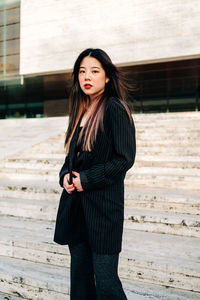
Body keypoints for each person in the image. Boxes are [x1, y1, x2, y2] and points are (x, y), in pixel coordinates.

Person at [54, 48, 136, 300]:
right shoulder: (80, 110)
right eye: (82, 71)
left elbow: (124, 160)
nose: (86, 77)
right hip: (76, 210)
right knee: (80, 282)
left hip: (103, 212)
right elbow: (72, 158)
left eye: (94, 71)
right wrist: (66, 176)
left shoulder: (114, 109)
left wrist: (86, 180)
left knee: (106, 283)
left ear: (107, 76)